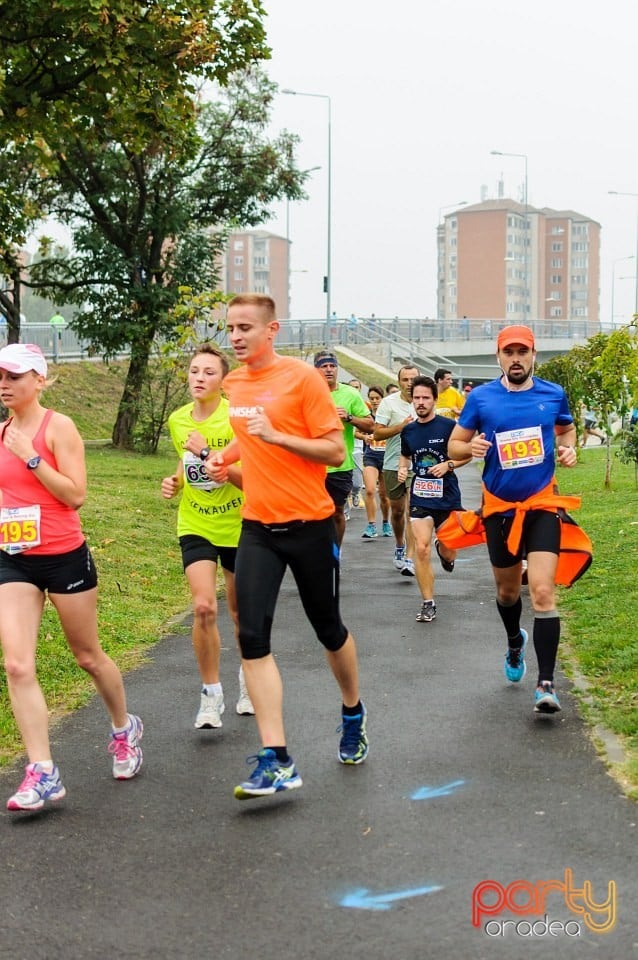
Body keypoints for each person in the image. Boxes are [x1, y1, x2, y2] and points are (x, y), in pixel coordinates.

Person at [207, 294, 369, 800]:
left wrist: (277, 437)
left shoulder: (301, 379)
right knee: (251, 635)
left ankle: (352, 711)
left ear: (272, 329)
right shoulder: (234, 383)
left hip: (311, 525)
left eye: (245, 328)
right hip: (257, 526)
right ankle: (277, 758)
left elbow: (334, 449)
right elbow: (244, 435)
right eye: (230, 328)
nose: (235, 336)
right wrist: (223, 456)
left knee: (328, 628)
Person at [0, 343, 143, 812]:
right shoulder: (0, 432)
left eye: (15, 376)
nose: (5, 383)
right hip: (13, 558)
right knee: (18, 665)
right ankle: (42, 771)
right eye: (1, 375)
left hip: (63, 556)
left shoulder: (57, 427)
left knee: (87, 655)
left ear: (39, 380)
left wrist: (32, 458)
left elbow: (76, 494)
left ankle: (124, 728)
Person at [448, 325, 579, 714]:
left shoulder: (552, 394)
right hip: (500, 509)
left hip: (541, 505)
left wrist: (568, 449)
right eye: (509, 352)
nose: (516, 358)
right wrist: (468, 446)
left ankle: (546, 684)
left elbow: (567, 429)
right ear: (499, 357)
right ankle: (513, 640)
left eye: (523, 352)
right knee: (507, 593)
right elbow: (456, 443)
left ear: (534, 355)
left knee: (541, 592)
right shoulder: (482, 399)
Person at [161, 343, 253, 730]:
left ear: (224, 380)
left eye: (209, 372)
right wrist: (176, 482)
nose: (199, 378)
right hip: (195, 522)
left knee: (239, 614)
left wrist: (210, 461)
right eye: (195, 371)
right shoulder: (178, 420)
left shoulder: (236, 418)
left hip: (238, 524)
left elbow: (251, 478)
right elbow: (186, 468)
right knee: (203, 607)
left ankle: (248, 683)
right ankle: (210, 694)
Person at [398, 376, 470, 623]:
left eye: (425, 397)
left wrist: (448, 464)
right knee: (420, 547)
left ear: (434, 399)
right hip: (421, 495)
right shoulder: (408, 430)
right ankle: (428, 602)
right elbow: (406, 456)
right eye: (416, 398)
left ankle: (444, 549)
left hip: (448, 496)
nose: (420, 402)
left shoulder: (448, 427)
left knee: (451, 552)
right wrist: (401, 468)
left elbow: (468, 453)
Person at [313, 351, 373, 547]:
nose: (329, 369)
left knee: (337, 511)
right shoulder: (306, 392)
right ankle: (315, 553)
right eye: (324, 366)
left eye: (332, 366)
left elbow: (370, 425)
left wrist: (349, 418)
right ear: (316, 369)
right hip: (311, 466)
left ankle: (335, 553)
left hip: (340, 465)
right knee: (312, 514)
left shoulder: (350, 394)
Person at [373, 365, 418, 575]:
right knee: (398, 512)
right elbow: (377, 434)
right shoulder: (388, 403)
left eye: (413, 379)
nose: (409, 384)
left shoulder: (425, 400)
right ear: (399, 382)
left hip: (418, 466)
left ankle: (410, 558)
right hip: (392, 464)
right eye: (405, 379)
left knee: (412, 512)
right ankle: (400, 544)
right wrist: (401, 427)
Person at [356, 385, 392, 539]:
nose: (375, 401)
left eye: (377, 398)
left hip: (386, 456)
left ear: (382, 399)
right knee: (370, 490)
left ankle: (385, 522)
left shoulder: (388, 415)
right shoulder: (367, 416)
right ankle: (371, 525)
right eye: (372, 399)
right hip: (370, 455)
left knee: (384, 495)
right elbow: (356, 432)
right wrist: (365, 437)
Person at [347, 378, 365, 512]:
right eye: (352, 387)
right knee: (344, 482)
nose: (354, 389)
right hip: (345, 448)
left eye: (357, 387)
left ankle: (355, 493)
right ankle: (345, 510)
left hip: (358, 448)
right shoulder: (343, 404)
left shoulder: (364, 407)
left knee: (358, 482)